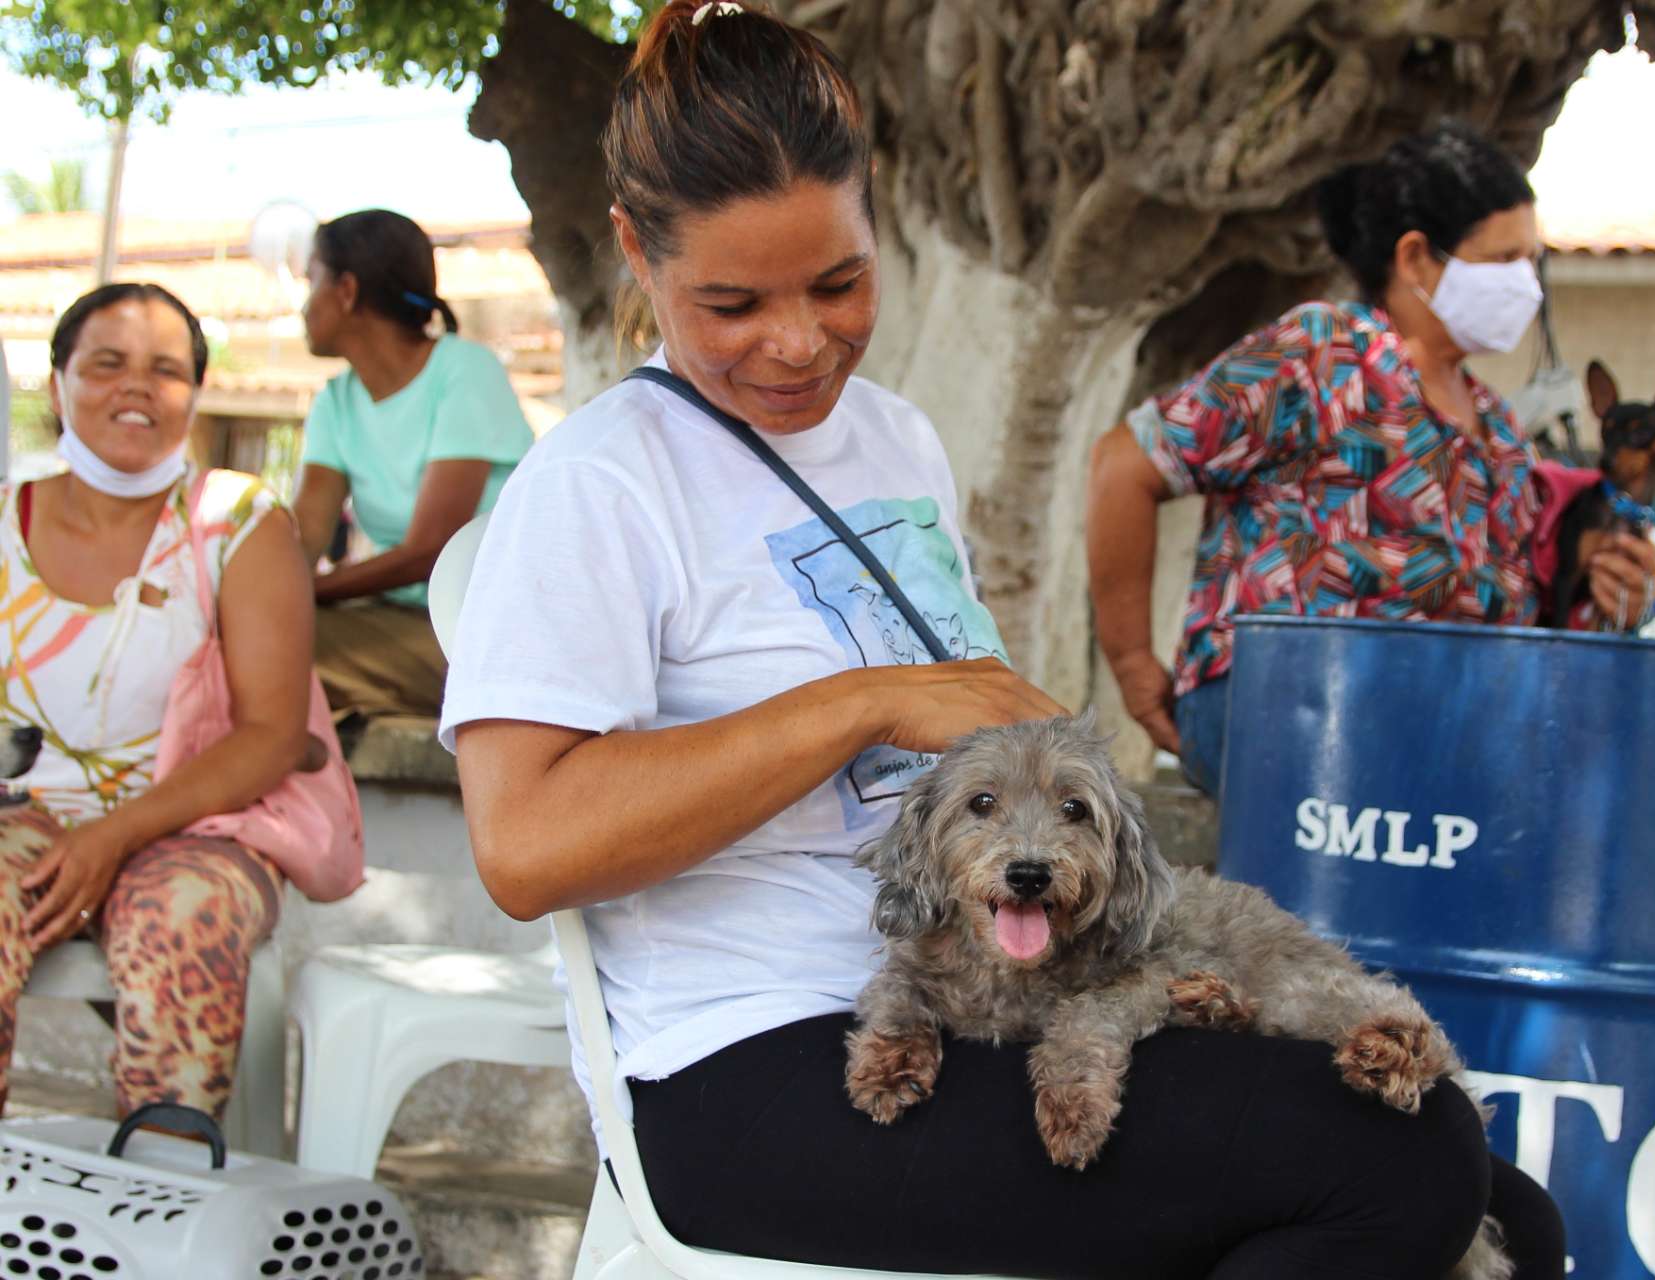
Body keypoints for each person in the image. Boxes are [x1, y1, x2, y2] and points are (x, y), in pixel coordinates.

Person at [442, 6, 1559, 1277]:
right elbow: (523, 846)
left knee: (1505, 1210)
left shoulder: (898, 441)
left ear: (877, 216)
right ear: (638, 254)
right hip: (758, 1067)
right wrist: (867, 702)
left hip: (997, 1003)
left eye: (839, 281)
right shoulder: (598, 481)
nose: (799, 339)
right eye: (733, 301)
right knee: (1392, 1170)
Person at [1086, 121, 1655, 797]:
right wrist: (1131, 664)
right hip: (1298, 718)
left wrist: (1614, 587)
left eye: (1533, 261)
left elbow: (1516, 608)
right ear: (1416, 258)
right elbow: (1125, 464)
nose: (1527, 285)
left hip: (1454, 737)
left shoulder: (1501, 432)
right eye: (1505, 260)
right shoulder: (1324, 355)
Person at [0, 283, 312, 1118]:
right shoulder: (5, 521)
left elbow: (273, 734)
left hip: (195, 822)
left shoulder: (237, 521)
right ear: (58, 378)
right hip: (19, 816)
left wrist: (111, 837)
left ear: (194, 394)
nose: (137, 386)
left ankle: (162, 1197)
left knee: (185, 916)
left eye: (166, 371)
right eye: (108, 364)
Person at [291, 209, 533, 721]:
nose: (303, 304)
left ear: (347, 290)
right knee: (246, 639)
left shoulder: (464, 372)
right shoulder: (336, 402)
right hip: (397, 619)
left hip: (482, 630)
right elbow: (301, 540)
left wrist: (303, 592)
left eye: (311, 280)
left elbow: (429, 551)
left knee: (278, 654)